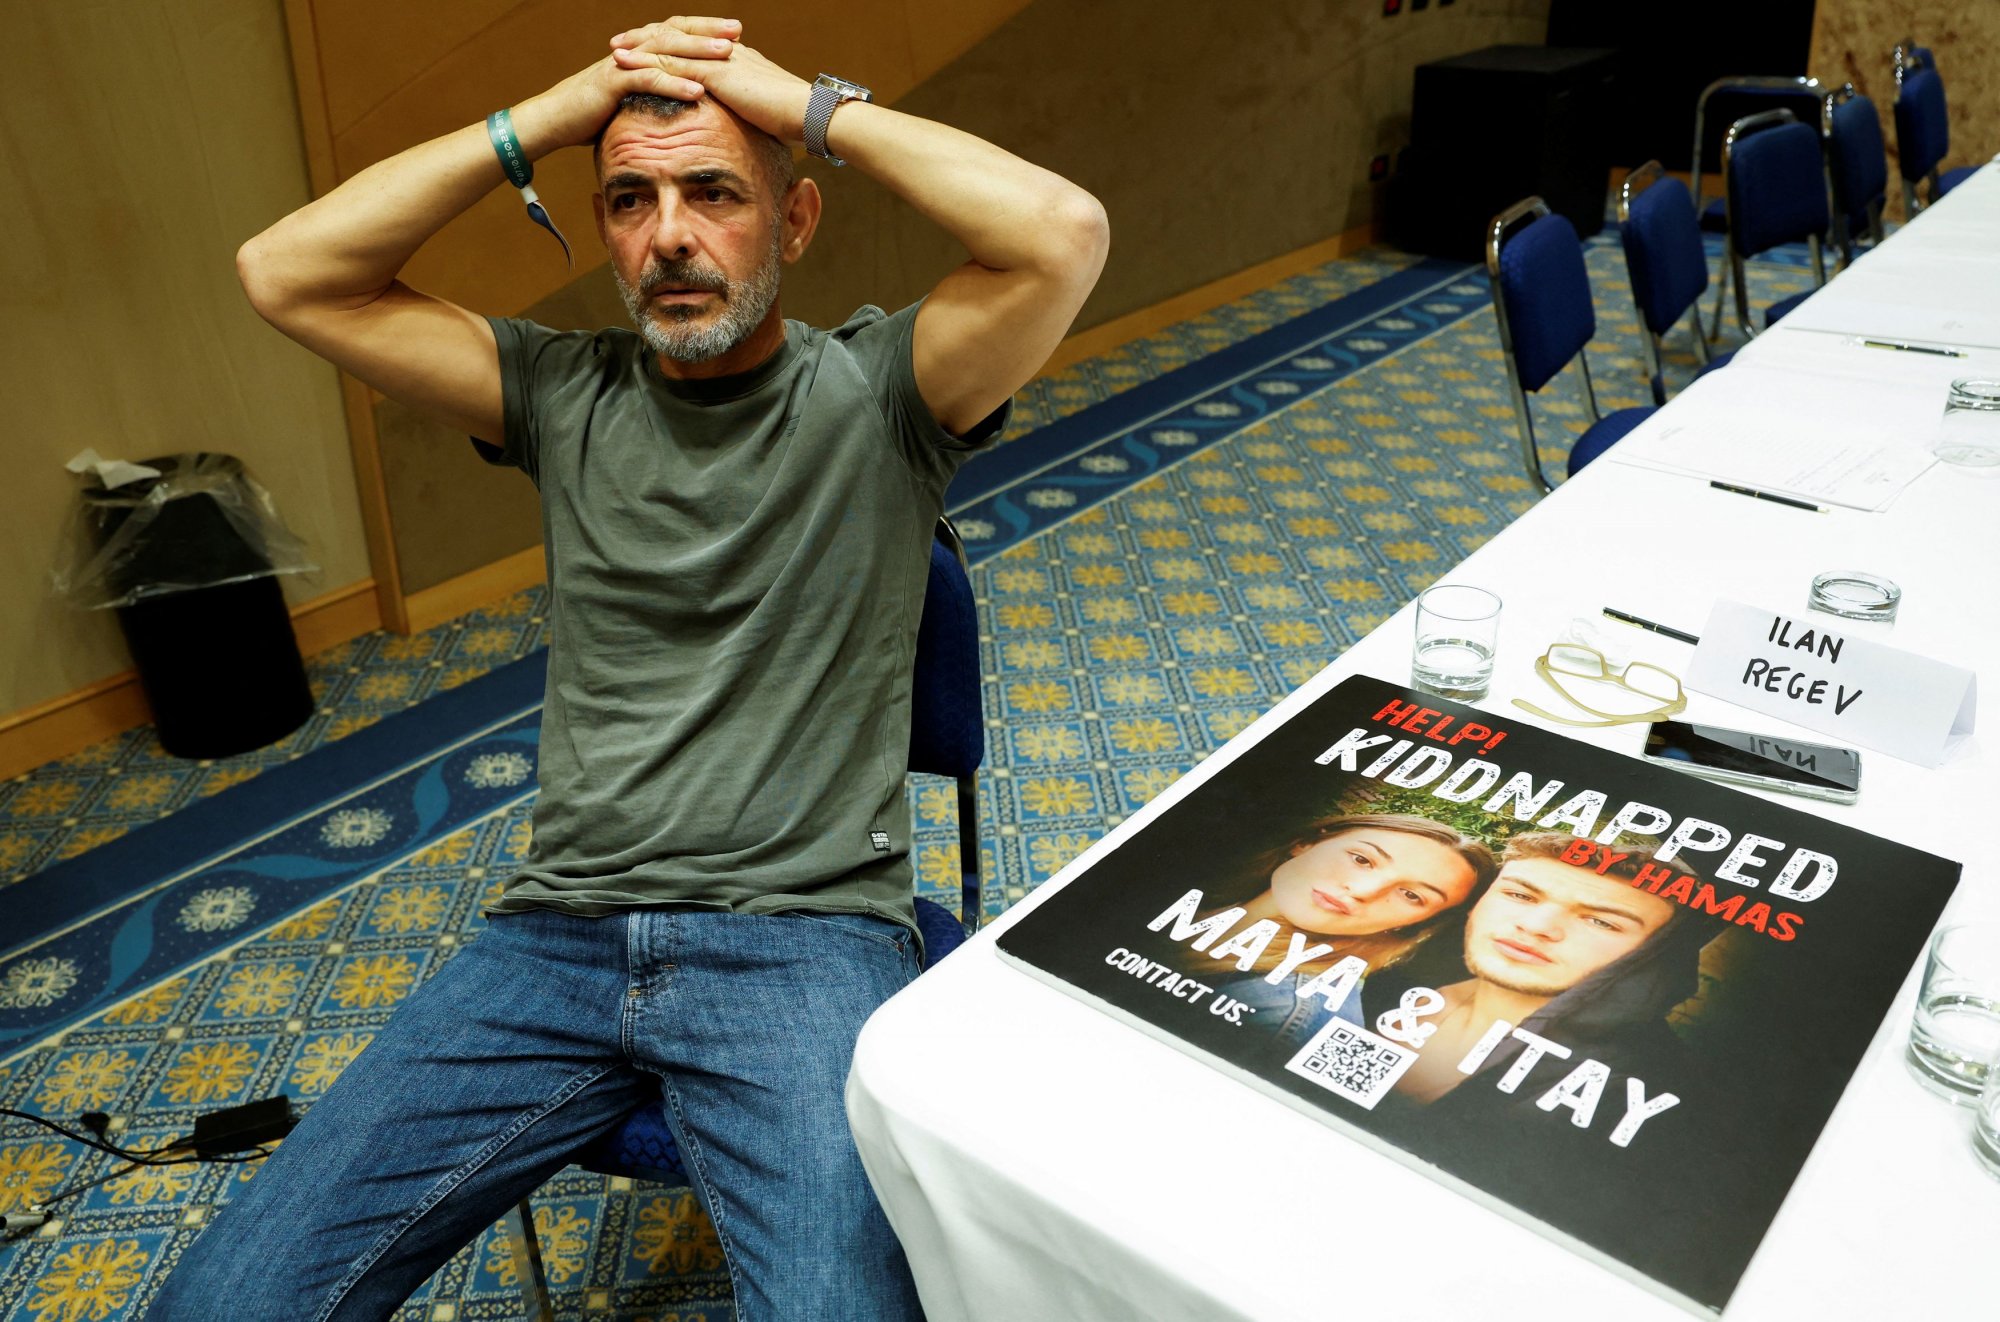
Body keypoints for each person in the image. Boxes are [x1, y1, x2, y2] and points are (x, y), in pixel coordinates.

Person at [148, 15, 1107, 1320]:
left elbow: (1061, 230)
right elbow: (284, 271)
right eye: (628, 201)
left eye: (714, 193)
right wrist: (552, 114)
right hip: (555, 935)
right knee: (221, 1302)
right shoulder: (560, 394)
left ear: (794, 220)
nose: (669, 237)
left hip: (800, 936)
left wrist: (800, 104)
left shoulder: (886, 391)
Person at [1388, 831, 1704, 1109]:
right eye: (1520, 895)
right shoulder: (1383, 980)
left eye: (1601, 922)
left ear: (1651, 953)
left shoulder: (1639, 1089)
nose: (1536, 926)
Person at [1188, 813, 1495, 1049]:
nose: (1363, 890)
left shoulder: (1290, 1013)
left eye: (1411, 895)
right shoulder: (1196, 890)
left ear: (1413, 924)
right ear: (1305, 843)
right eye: (1362, 860)